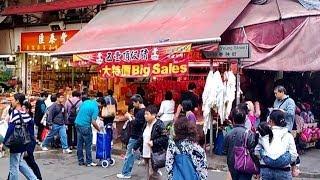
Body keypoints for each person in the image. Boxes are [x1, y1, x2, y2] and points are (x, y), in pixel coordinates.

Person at [255, 109, 298, 180]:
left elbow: (257, 151)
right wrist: (284, 161)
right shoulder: (288, 135)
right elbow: (294, 155)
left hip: (266, 170)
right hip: (283, 171)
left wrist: (265, 159)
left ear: (270, 121)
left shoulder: (265, 135)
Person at [3, 93, 38, 180]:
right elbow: (31, 125)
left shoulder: (15, 113)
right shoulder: (25, 113)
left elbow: (10, 129)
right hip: (23, 142)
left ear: (17, 101)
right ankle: (34, 179)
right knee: (20, 163)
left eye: (13, 100)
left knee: (14, 166)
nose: (12, 101)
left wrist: (4, 143)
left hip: (15, 142)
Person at [133, 105, 168, 179]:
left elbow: (165, 137)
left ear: (154, 115)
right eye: (145, 114)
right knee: (149, 173)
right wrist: (135, 147)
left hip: (154, 152)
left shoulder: (159, 124)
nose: (145, 116)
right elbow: (142, 137)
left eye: (147, 114)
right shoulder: (146, 124)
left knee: (152, 173)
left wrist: (154, 142)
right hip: (146, 152)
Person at [117, 94, 146, 179]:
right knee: (132, 154)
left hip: (135, 135)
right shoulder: (143, 111)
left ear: (137, 102)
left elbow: (136, 123)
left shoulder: (141, 112)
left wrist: (129, 117)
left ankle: (126, 173)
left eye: (133, 103)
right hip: (139, 135)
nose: (132, 105)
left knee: (129, 154)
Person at [223, 107, 257, 180]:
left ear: (233, 120)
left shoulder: (228, 134)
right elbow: (253, 152)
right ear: (245, 120)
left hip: (232, 165)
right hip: (246, 166)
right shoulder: (249, 134)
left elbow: (225, 151)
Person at [74, 97, 102, 167]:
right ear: (100, 104)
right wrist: (99, 130)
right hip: (85, 126)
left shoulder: (86, 102)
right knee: (88, 144)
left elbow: (78, 110)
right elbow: (93, 122)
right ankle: (89, 161)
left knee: (79, 144)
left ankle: (80, 161)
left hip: (77, 123)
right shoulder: (96, 108)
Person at [23, 101, 42, 180]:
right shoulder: (24, 117)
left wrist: (26, 148)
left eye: (23, 108)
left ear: (27, 109)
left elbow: (29, 135)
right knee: (17, 164)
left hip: (28, 143)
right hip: (26, 143)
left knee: (30, 163)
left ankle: (37, 178)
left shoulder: (27, 119)